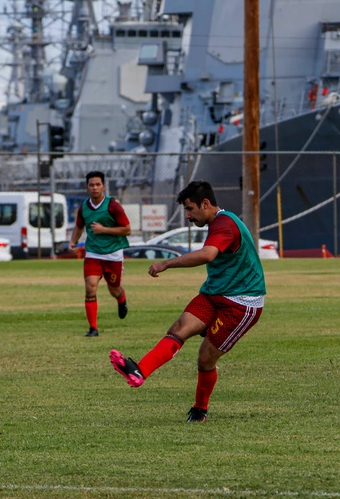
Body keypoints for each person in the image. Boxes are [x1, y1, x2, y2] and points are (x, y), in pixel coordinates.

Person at [109, 180, 266, 423]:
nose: (188, 216)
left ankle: (200, 410)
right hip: (214, 294)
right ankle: (139, 372)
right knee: (178, 329)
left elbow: (207, 254)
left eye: (191, 209)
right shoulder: (218, 223)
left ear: (206, 203)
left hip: (241, 303)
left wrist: (166, 263)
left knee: (205, 358)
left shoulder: (225, 224)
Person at [68, 171, 131, 337]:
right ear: (87, 187)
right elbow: (79, 226)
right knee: (90, 287)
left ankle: (121, 298)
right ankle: (93, 328)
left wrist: (104, 230)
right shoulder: (84, 207)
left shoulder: (113, 206)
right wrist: (73, 241)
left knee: (114, 290)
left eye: (98, 184)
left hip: (113, 255)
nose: (95, 188)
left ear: (103, 186)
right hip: (93, 254)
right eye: (91, 185)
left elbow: (127, 229)